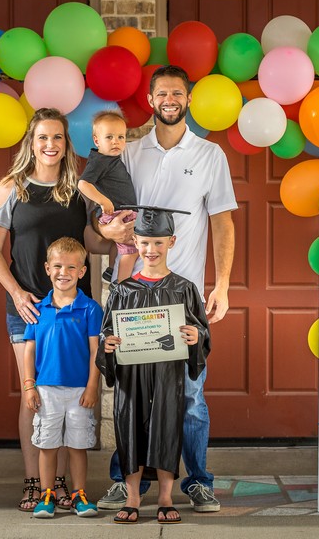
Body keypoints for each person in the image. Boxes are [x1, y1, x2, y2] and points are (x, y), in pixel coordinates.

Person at [96, 65, 236, 513]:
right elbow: (107, 221)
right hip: (134, 293)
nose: (170, 99)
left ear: (188, 99)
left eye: (178, 92)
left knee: (191, 395)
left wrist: (224, 284)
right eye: (162, 93)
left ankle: (197, 480)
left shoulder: (211, 154)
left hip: (186, 295)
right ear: (151, 100)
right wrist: (114, 236)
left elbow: (223, 222)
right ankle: (124, 480)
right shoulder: (130, 152)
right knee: (131, 394)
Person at [0, 107, 107, 512]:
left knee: (70, 391)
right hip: (30, 309)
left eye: (57, 137)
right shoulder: (12, 187)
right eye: (42, 138)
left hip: (74, 311)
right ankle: (35, 481)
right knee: (33, 395)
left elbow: (92, 240)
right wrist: (18, 293)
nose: (50, 145)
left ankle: (66, 485)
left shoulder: (78, 188)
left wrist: (117, 233)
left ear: (65, 143)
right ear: (31, 143)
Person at [96, 206, 210, 524]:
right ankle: (133, 496)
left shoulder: (184, 289)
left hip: (168, 373)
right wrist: (108, 344)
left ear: (171, 242)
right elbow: (108, 330)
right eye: (145, 242)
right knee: (129, 425)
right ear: (135, 241)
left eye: (158, 243)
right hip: (132, 373)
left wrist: (194, 335)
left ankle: (164, 496)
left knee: (166, 426)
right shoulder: (122, 291)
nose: (151, 250)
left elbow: (201, 331)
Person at [23, 237, 102, 519]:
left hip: (80, 389)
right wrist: (29, 386)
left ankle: (80, 494)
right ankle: (47, 495)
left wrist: (93, 385)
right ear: (47, 268)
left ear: (82, 271)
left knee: (78, 445)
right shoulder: (38, 309)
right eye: (57, 266)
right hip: (46, 390)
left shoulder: (91, 308)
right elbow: (29, 351)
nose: (63, 272)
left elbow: (96, 351)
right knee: (47, 445)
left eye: (71, 267)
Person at [77, 110, 138, 283]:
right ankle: (122, 284)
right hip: (117, 211)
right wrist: (103, 201)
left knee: (118, 245)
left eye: (121, 137)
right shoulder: (100, 159)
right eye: (109, 137)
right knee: (131, 250)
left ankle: (112, 270)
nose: (116, 142)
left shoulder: (110, 159)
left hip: (119, 211)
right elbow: (83, 184)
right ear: (97, 140)